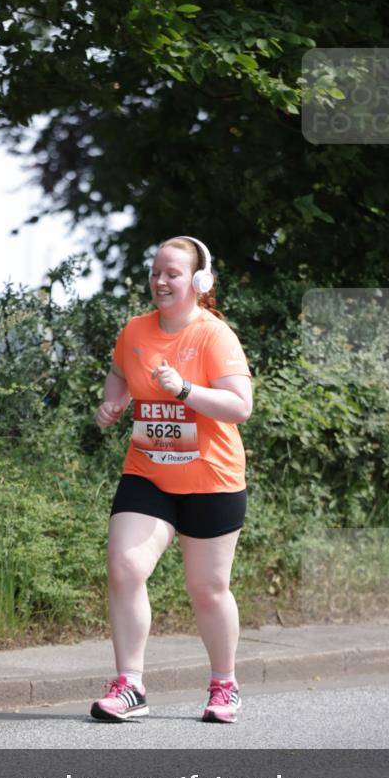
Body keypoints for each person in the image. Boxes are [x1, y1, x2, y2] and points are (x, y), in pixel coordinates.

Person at [91, 235, 253, 724]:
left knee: (207, 590)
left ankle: (225, 685)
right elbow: (121, 371)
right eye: (156, 272)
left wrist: (184, 390)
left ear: (199, 283)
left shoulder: (213, 336)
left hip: (212, 478)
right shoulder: (136, 331)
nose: (160, 281)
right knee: (123, 565)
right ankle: (130, 685)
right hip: (150, 472)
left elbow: (240, 407)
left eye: (173, 273)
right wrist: (113, 402)